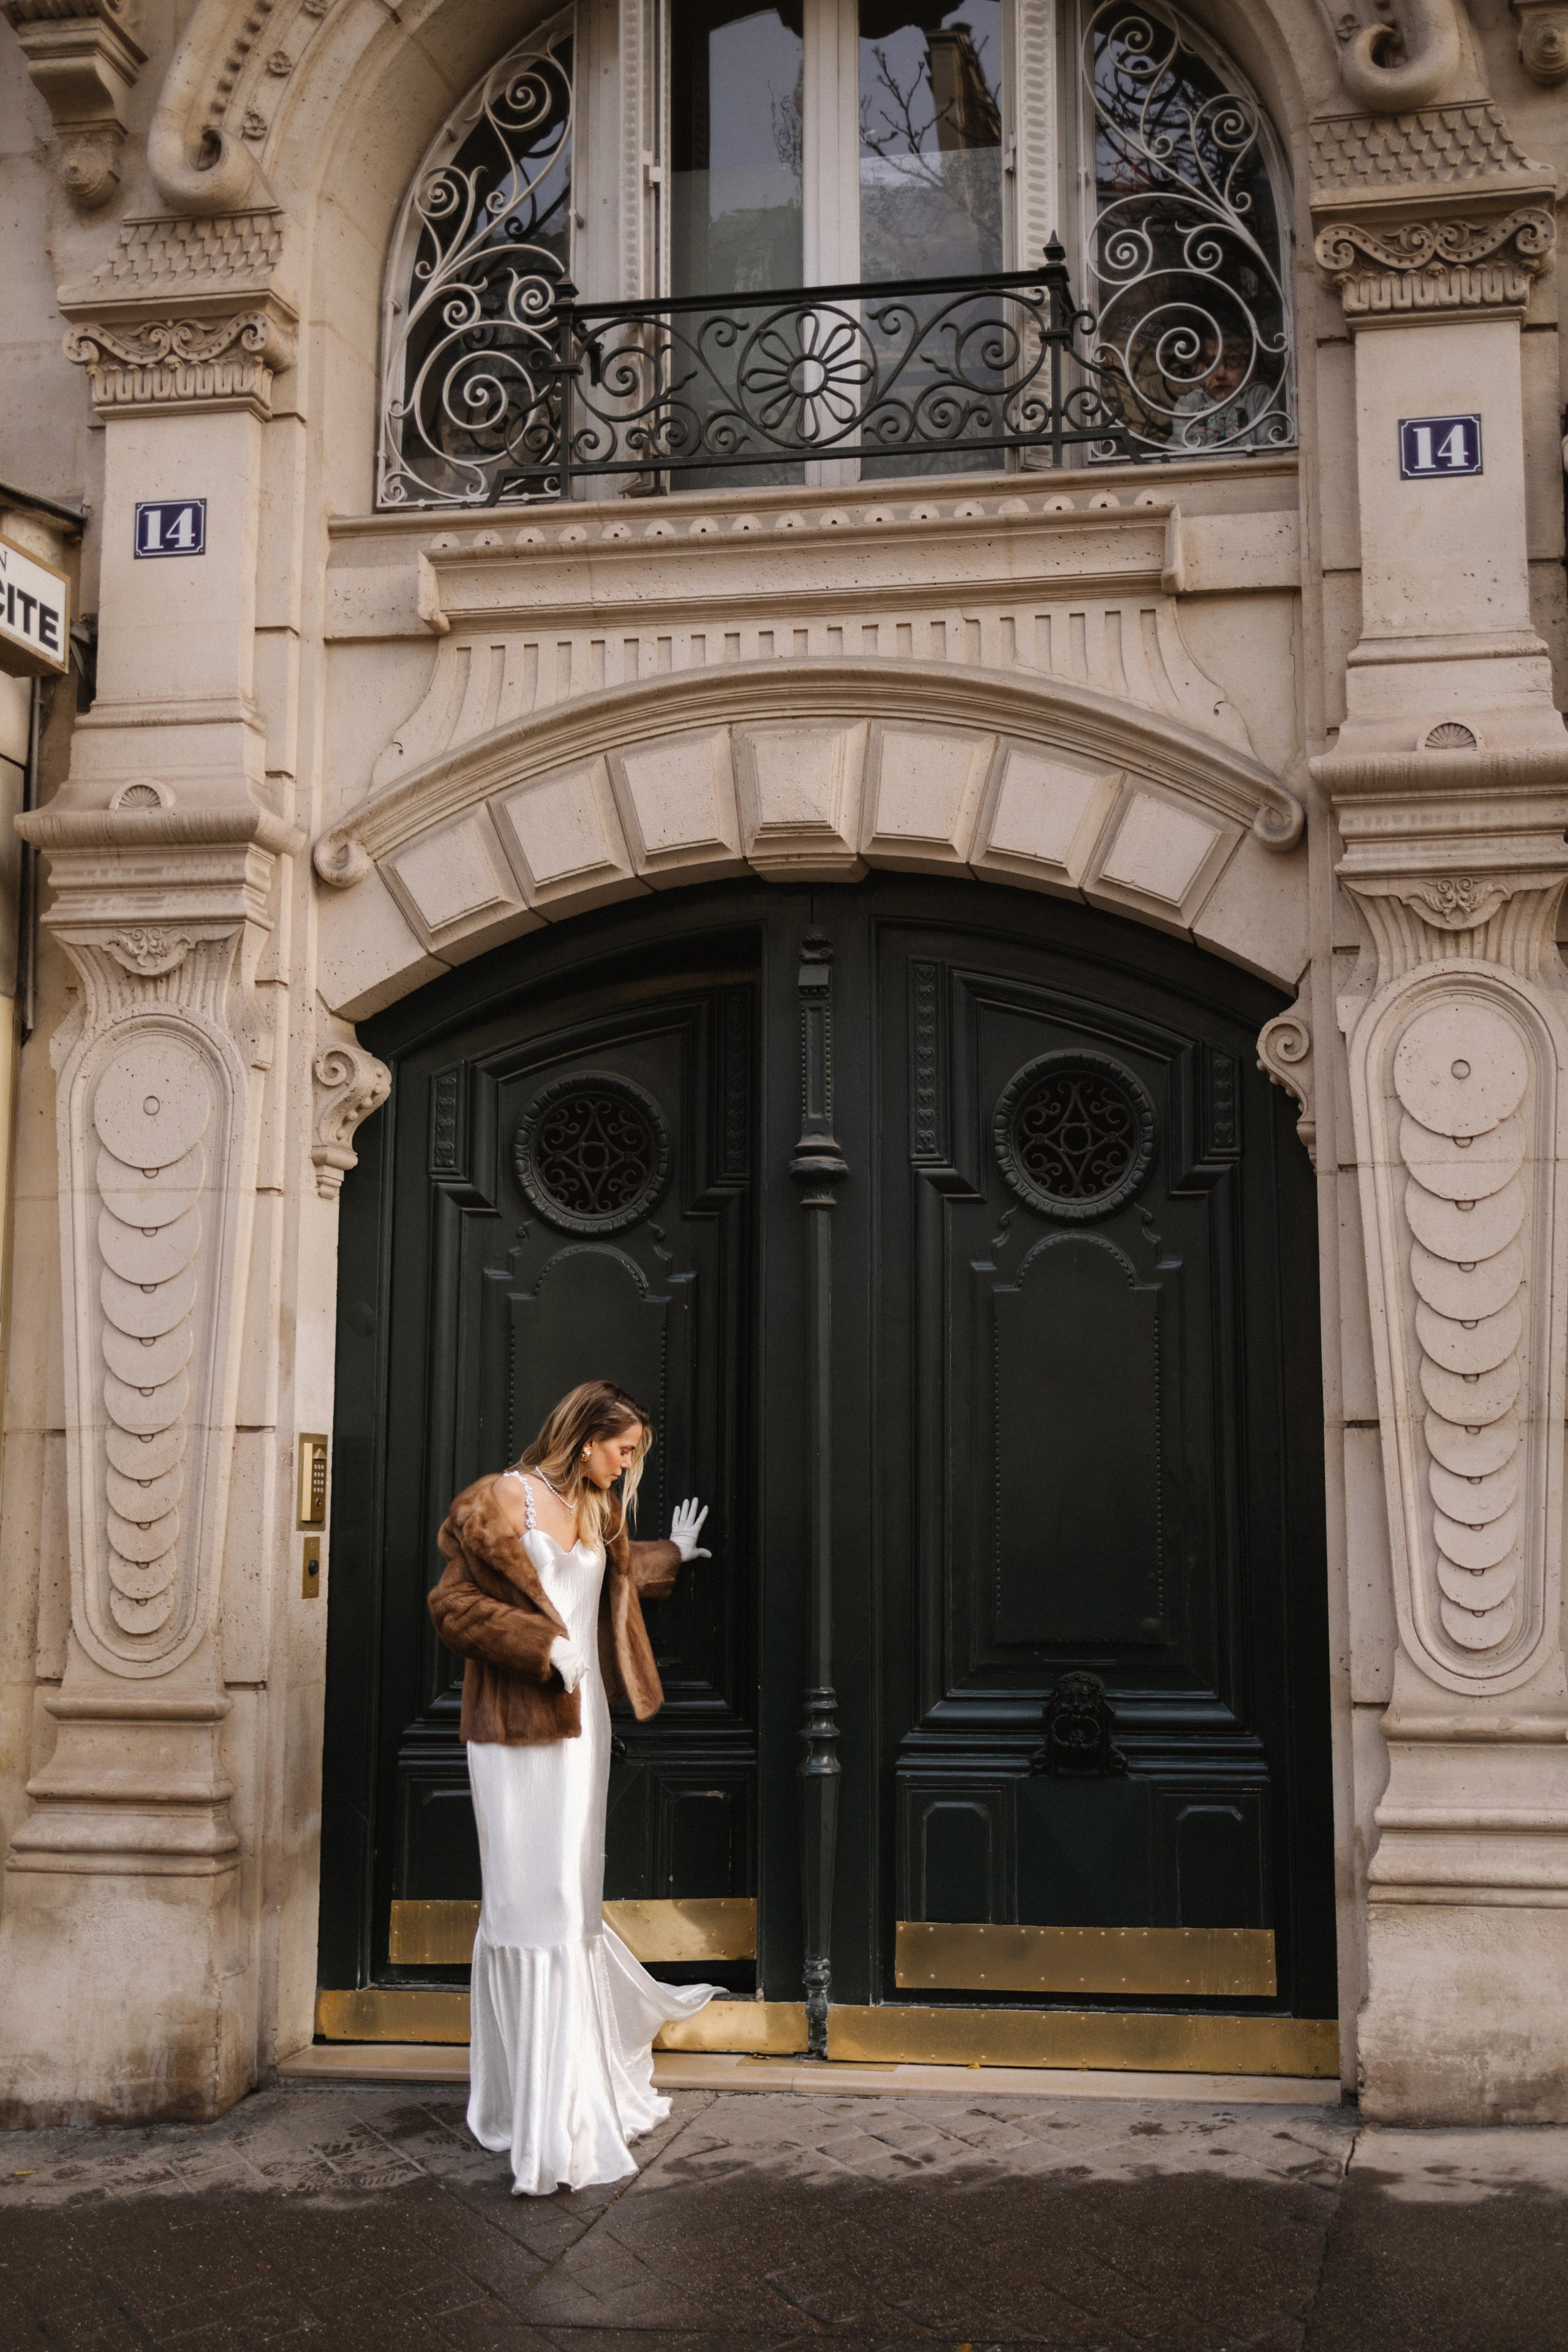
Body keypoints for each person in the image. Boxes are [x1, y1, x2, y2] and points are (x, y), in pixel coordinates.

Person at [428, 1379, 717, 2196]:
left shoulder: (602, 1509)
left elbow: (616, 1579)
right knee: (532, 1906)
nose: (628, 1465)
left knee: (571, 1900)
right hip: (515, 1732)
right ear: (587, 1437)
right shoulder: (497, 1502)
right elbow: (451, 1607)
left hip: (583, 1727)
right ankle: (534, 2111)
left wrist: (676, 1556)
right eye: (623, 1449)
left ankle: (571, 2093)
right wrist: (538, 1647)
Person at [1167, 333, 1274, 453]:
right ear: (1199, 369)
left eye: (1233, 363)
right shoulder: (1189, 404)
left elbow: (1271, 454)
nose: (1220, 374)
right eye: (1210, 364)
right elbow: (1177, 459)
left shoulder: (1258, 397)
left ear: (1249, 369)